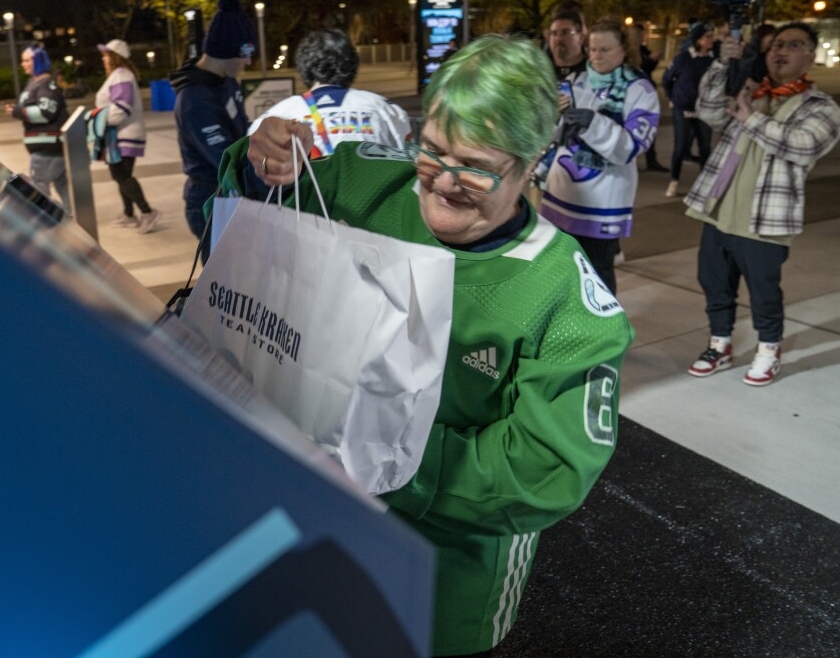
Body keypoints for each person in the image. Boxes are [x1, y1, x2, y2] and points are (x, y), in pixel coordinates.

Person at [220, 35, 634, 655]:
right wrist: (259, 162)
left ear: (531, 161)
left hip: (447, 572)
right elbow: (240, 216)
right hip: (309, 526)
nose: (444, 181)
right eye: (432, 150)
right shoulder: (368, 182)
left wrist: (380, 451)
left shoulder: (565, 301)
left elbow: (544, 473)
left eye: (475, 165)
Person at [684, 22, 840, 387]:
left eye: (794, 44)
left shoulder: (822, 108)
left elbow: (801, 146)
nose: (781, 51)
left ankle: (769, 350)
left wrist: (751, 118)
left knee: (764, 292)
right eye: (775, 45)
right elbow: (708, 111)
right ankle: (719, 344)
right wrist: (722, 66)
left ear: (810, 55)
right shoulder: (752, 91)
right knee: (715, 284)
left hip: (766, 220)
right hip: (720, 209)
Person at [535, 18, 660, 295]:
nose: (596, 56)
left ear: (623, 50)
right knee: (559, 273)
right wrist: (552, 116)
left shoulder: (640, 89)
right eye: (592, 49)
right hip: (561, 196)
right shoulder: (573, 81)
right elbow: (549, 136)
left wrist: (593, 124)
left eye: (605, 50)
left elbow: (631, 147)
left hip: (602, 202)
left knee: (597, 276)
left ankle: (600, 336)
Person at [170, 0, 257, 262]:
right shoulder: (196, 100)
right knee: (227, 283)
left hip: (231, 194)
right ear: (225, 53)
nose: (248, 62)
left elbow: (241, 133)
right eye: (244, 54)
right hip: (210, 199)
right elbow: (226, 157)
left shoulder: (225, 81)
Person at [248, 29, 411, 156]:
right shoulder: (386, 111)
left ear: (303, 66)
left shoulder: (275, 116)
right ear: (352, 64)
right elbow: (409, 167)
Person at [94, 39, 160, 233]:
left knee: (121, 175)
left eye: (106, 55)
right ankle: (129, 214)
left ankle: (147, 212)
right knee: (120, 175)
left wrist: (100, 120)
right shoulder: (119, 75)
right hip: (119, 134)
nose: (103, 59)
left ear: (115, 57)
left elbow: (122, 106)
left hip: (124, 133)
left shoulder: (121, 75)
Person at [4, 43, 71, 212]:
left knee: (40, 186)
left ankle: (49, 218)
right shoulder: (37, 83)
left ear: (38, 61)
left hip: (47, 147)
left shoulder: (46, 84)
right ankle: (70, 215)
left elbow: (45, 112)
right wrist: (18, 110)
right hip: (48, 146)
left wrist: (17, 111)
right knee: (61, 183)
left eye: (27, 60)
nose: (23, 64)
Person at [661, 21, 715, 197]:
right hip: (683, 108)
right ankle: (674, 181)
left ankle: (704, 184)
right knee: (680, 147)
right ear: (698, 39)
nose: (710, 40)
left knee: (705, 147)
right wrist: (671, 98)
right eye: (707, 37)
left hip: (704, 109)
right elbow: (667, 79)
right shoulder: (683, 59)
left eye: (711, 36)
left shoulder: (713, 61)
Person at [631, 24, 666, 172]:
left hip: (644, 92)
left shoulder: (643, 50)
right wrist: (650, 61)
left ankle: (651, 159)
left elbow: (646, 69)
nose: (641, 38)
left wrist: (654, 60)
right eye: (638, 35)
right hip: (632, 95)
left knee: (647, 128)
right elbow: (638, 69)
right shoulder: (628, 52)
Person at [546, 10, 587, 81]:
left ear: (581, 38)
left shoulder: (594, 71)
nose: (558, 38)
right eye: (554, 33)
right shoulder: (538, 71)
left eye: (565, 33)